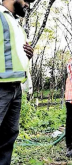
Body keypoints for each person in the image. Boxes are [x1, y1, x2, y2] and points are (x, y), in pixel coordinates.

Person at [0, 0, 35, 164]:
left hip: (15, 87)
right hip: (1, 87)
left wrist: (27, 54)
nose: (28, 4)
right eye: (26, 0)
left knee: (9, 136)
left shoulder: (16, 24)